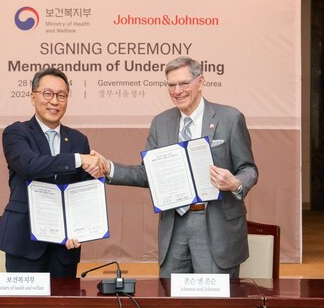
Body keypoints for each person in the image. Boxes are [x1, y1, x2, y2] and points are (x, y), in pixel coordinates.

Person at [88, 56, 258, 278]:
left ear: (200, 82)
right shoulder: (161, 122)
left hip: (215, 227)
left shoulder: (230, 118)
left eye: (184, 83)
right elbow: (147, 174)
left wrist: (235, 183)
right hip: (174, 226)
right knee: (171, 301)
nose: (177, 91)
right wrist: (108, 168)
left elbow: (249, 169)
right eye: (171, 85)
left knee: (214, 306)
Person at [0, 67, 102, 277]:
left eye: (61, 96)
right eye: (47, 94)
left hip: (65, 246)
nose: (54, 101)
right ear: (33, 97)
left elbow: (83, 191)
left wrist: (95, 170)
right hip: (24, 240)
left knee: (63, 307)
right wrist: (78, 159)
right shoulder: (16, 132)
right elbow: (30, 165)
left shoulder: (79, 140)